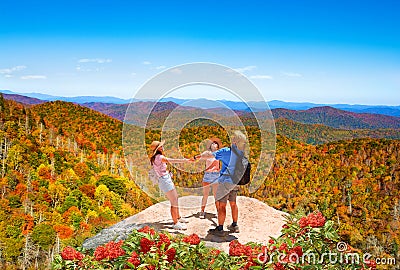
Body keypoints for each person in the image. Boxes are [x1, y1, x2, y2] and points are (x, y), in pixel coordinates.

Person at [198, 130, 247, 236]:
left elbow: (211, 156)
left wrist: (196, 157)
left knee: (222, 205)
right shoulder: (240, 152)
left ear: (234, 140)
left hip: (225, 181)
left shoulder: (226, 151)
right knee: (233, 203)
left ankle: (220, 228)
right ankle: (235, 225)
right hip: (235, 182)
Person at [150, 140, 190, 230]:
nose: (162, 147)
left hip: (165, 180)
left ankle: (178, 217)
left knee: (175, 198)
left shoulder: (155, 157)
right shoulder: (159, 157)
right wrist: (185, 160)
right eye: (160, 146)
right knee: (174, 201)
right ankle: (176, 223)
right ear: (158, 149)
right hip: (165, 181)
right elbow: (172, 161)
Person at [194, 138, 222, 219]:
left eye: (215, 143)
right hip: (207, 174)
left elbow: (224, 161)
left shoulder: (219, 153)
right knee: (205, 194)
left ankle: (218, 211)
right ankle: (202, 211)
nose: (214, 144)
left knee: (216, 195)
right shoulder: (207, 153)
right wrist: (193, 158)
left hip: (216, 175)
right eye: (213, 143)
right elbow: (200, 156)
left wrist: (221, 170)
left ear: (217, 146)